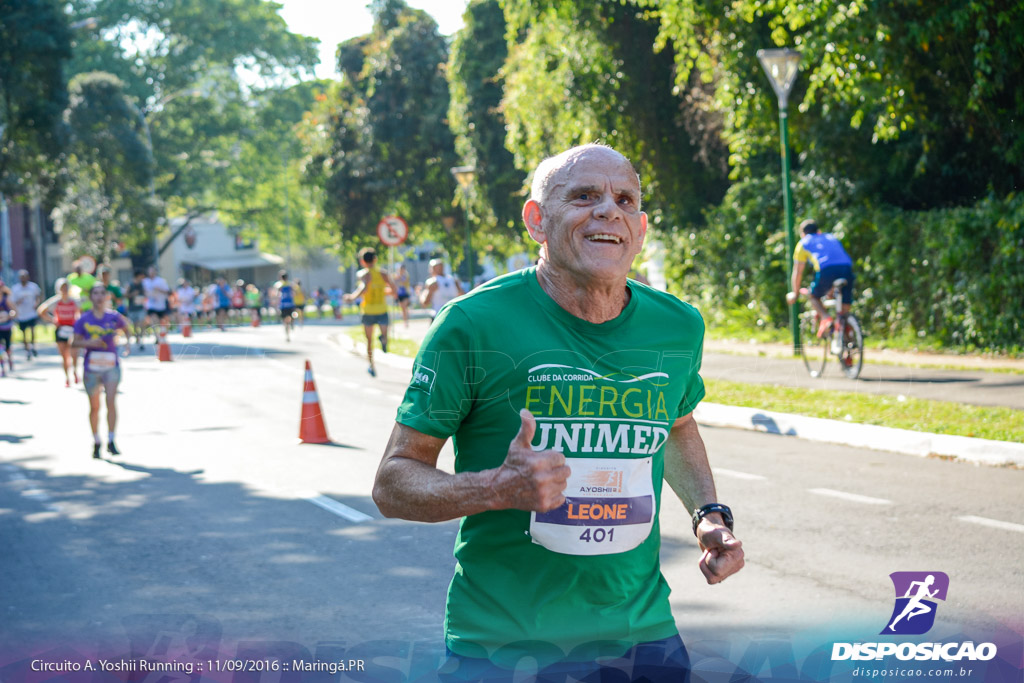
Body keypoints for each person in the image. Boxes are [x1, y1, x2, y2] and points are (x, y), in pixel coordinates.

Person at [372, 144, 744, 681]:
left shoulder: (678, 327)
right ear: (536, 220)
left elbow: (677, 425)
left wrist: (709, 515)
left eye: (624, 199)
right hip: (504, 646)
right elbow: (392, 483)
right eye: (584, 196)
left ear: (638, 228)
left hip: (643, 639)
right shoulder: (472, 325)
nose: (607, 211)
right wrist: (495, 489)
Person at [72, 283, 130, 459]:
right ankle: (96, 441)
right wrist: (89, 343)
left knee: (111, 401)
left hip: (111, 365)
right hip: (92, 367)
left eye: (101, 293)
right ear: (91, 297)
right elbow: (74, 343)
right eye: (95, 293)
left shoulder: (114, 317)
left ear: (106, 297)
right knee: (94, 406)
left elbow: (126, 328)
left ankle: (111, 440)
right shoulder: (84, 319)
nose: (98, 297)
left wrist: (127, 344)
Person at [786, 218, 855, 344]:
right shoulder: (830, 237)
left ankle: (826, 318)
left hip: (826, 270)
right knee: (844, 309)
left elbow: (798, 272)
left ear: (802, 234)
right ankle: (850, 342)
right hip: (847, 268)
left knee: (813, 296)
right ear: (819, 231)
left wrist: (795, 293)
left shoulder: (803, 243)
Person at [343, 248, 394, 377]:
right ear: (375, 259)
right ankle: (383, 340)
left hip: (368, 311)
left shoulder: (363, 274)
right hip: (382, 309)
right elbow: (394, 289)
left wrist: (352, 297)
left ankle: (371, 365)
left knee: (369, 341)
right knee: (384, 335)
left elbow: (363, 288)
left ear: (362, 262)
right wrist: (384, 291)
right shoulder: (383, 274)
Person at [37, 279, 81, 387]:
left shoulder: (74, 301)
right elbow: (41, 310)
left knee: (74, 353)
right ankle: (67, 377)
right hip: (61, 329)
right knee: (64, 355)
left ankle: (75, 370)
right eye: (62, 287)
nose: (64, 290)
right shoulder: (55, 301)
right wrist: (53, 320)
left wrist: (78, 322)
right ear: (58, 289)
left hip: (72, 329)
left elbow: (80, 313)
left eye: (66, 287)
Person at [11, 270, 42, 359]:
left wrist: (36, 304)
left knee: (32, 330)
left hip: (31, 313)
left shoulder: (33, 287)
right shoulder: (15, 288)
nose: (23, 278)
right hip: (21, 314)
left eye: (25, 276)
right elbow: (12, 302)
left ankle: (33, 346)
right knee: (23, 333)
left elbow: (38, 297)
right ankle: (27, 349)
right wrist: (18, 302)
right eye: (21, 277)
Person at [142, 266, 171, 340]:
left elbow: (168, 291)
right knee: (153, 320)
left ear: (155, 272)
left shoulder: (161, 281)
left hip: (161, 305)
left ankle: (163, 333)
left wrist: (159, 289)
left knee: (163, 321)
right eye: (150, 271)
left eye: (153, 271)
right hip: (151, 305)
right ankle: (156, 336)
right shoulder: (145, 281)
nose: (151, 273)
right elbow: (143, 292)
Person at [125, 270, 147, 349]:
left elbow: (145, 294)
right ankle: (137, 337)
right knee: (135, 325)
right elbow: (125, 295)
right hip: (132, 308)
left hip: (140, 307)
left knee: (142, 324)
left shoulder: (142, 284)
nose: (143, 277)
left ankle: (141, 340)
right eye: (141, 276)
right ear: (138, 276)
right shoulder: (130, 284)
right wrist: (132, 294)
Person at [274, 271, 296, 342]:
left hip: (283, 305)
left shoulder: (279, 285)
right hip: (290, 304)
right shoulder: (290, 284)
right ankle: (291, 326)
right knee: (290, 318)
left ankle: (287, 335)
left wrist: (276, 305)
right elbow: (294, 293)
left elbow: (277, 295)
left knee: (285, 321)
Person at [0, 282, 15, 376]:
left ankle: (9, 359)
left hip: (7, 326)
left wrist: (9, 315)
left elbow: (15, 311)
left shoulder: (6, 300)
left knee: (8, 346)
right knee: (0, 348)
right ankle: (2, 367)